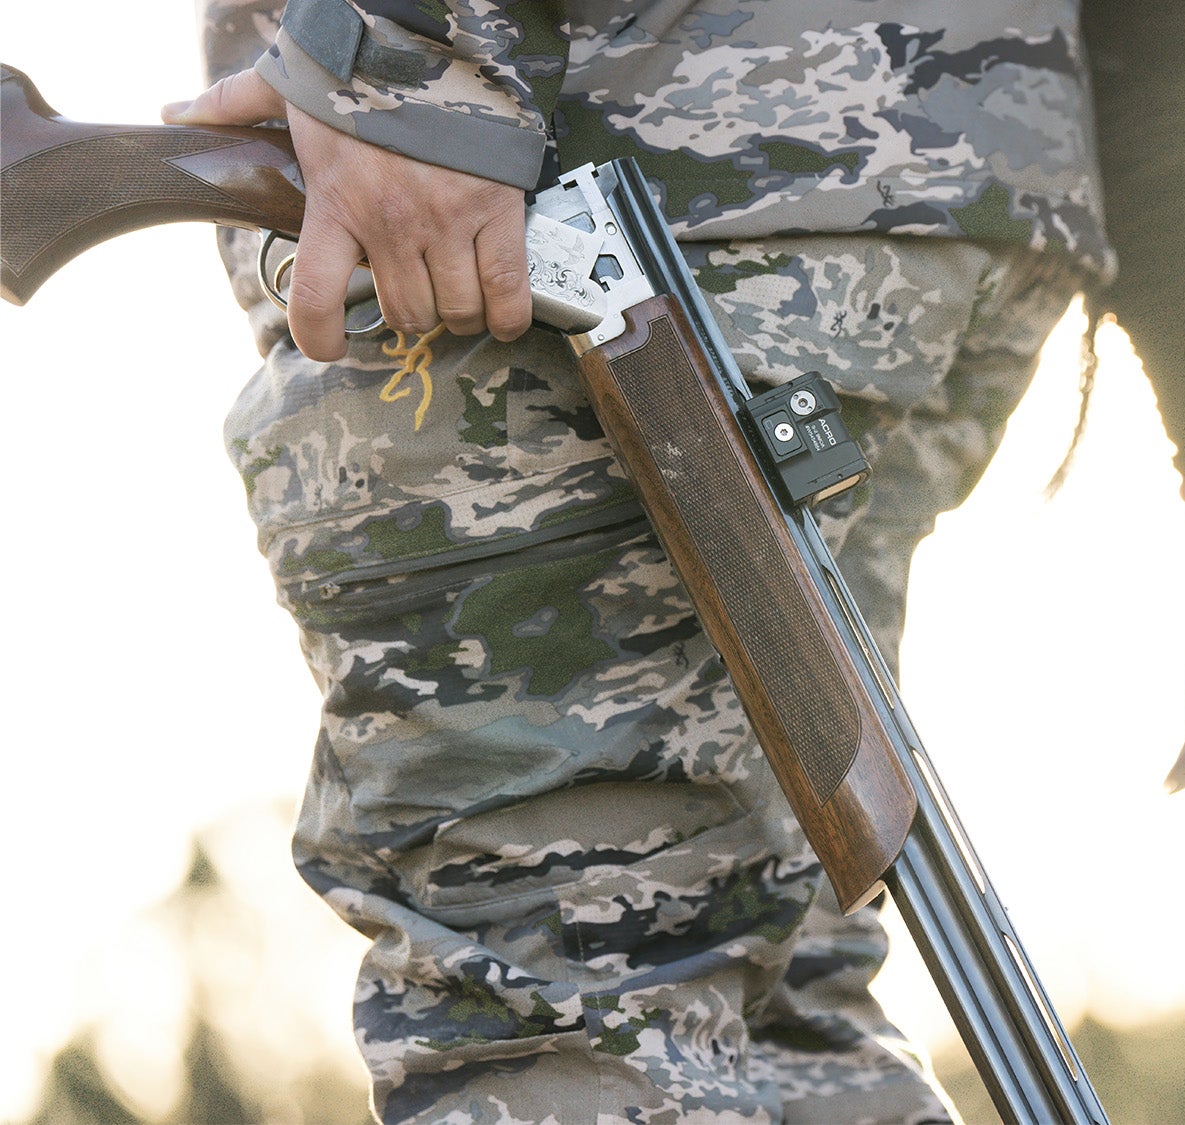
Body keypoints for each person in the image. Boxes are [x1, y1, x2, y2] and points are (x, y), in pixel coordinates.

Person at [170, 1, 1106, 1120]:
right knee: (780, 1007)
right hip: (959, 188)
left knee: (567, 987)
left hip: (612, 140)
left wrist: (405, 54)